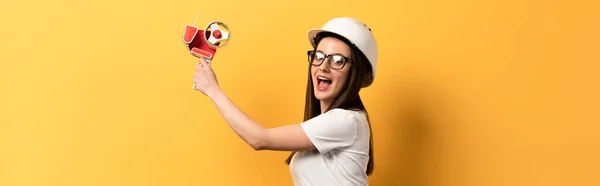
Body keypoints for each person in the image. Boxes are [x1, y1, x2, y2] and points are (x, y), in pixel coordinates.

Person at [192, 17, 378, 186]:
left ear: (356, 73)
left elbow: (259, 139)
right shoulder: (326, 125)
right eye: (319, 56)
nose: (323, 67)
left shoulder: (346, 121)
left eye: (338, 60)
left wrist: (213, 90)